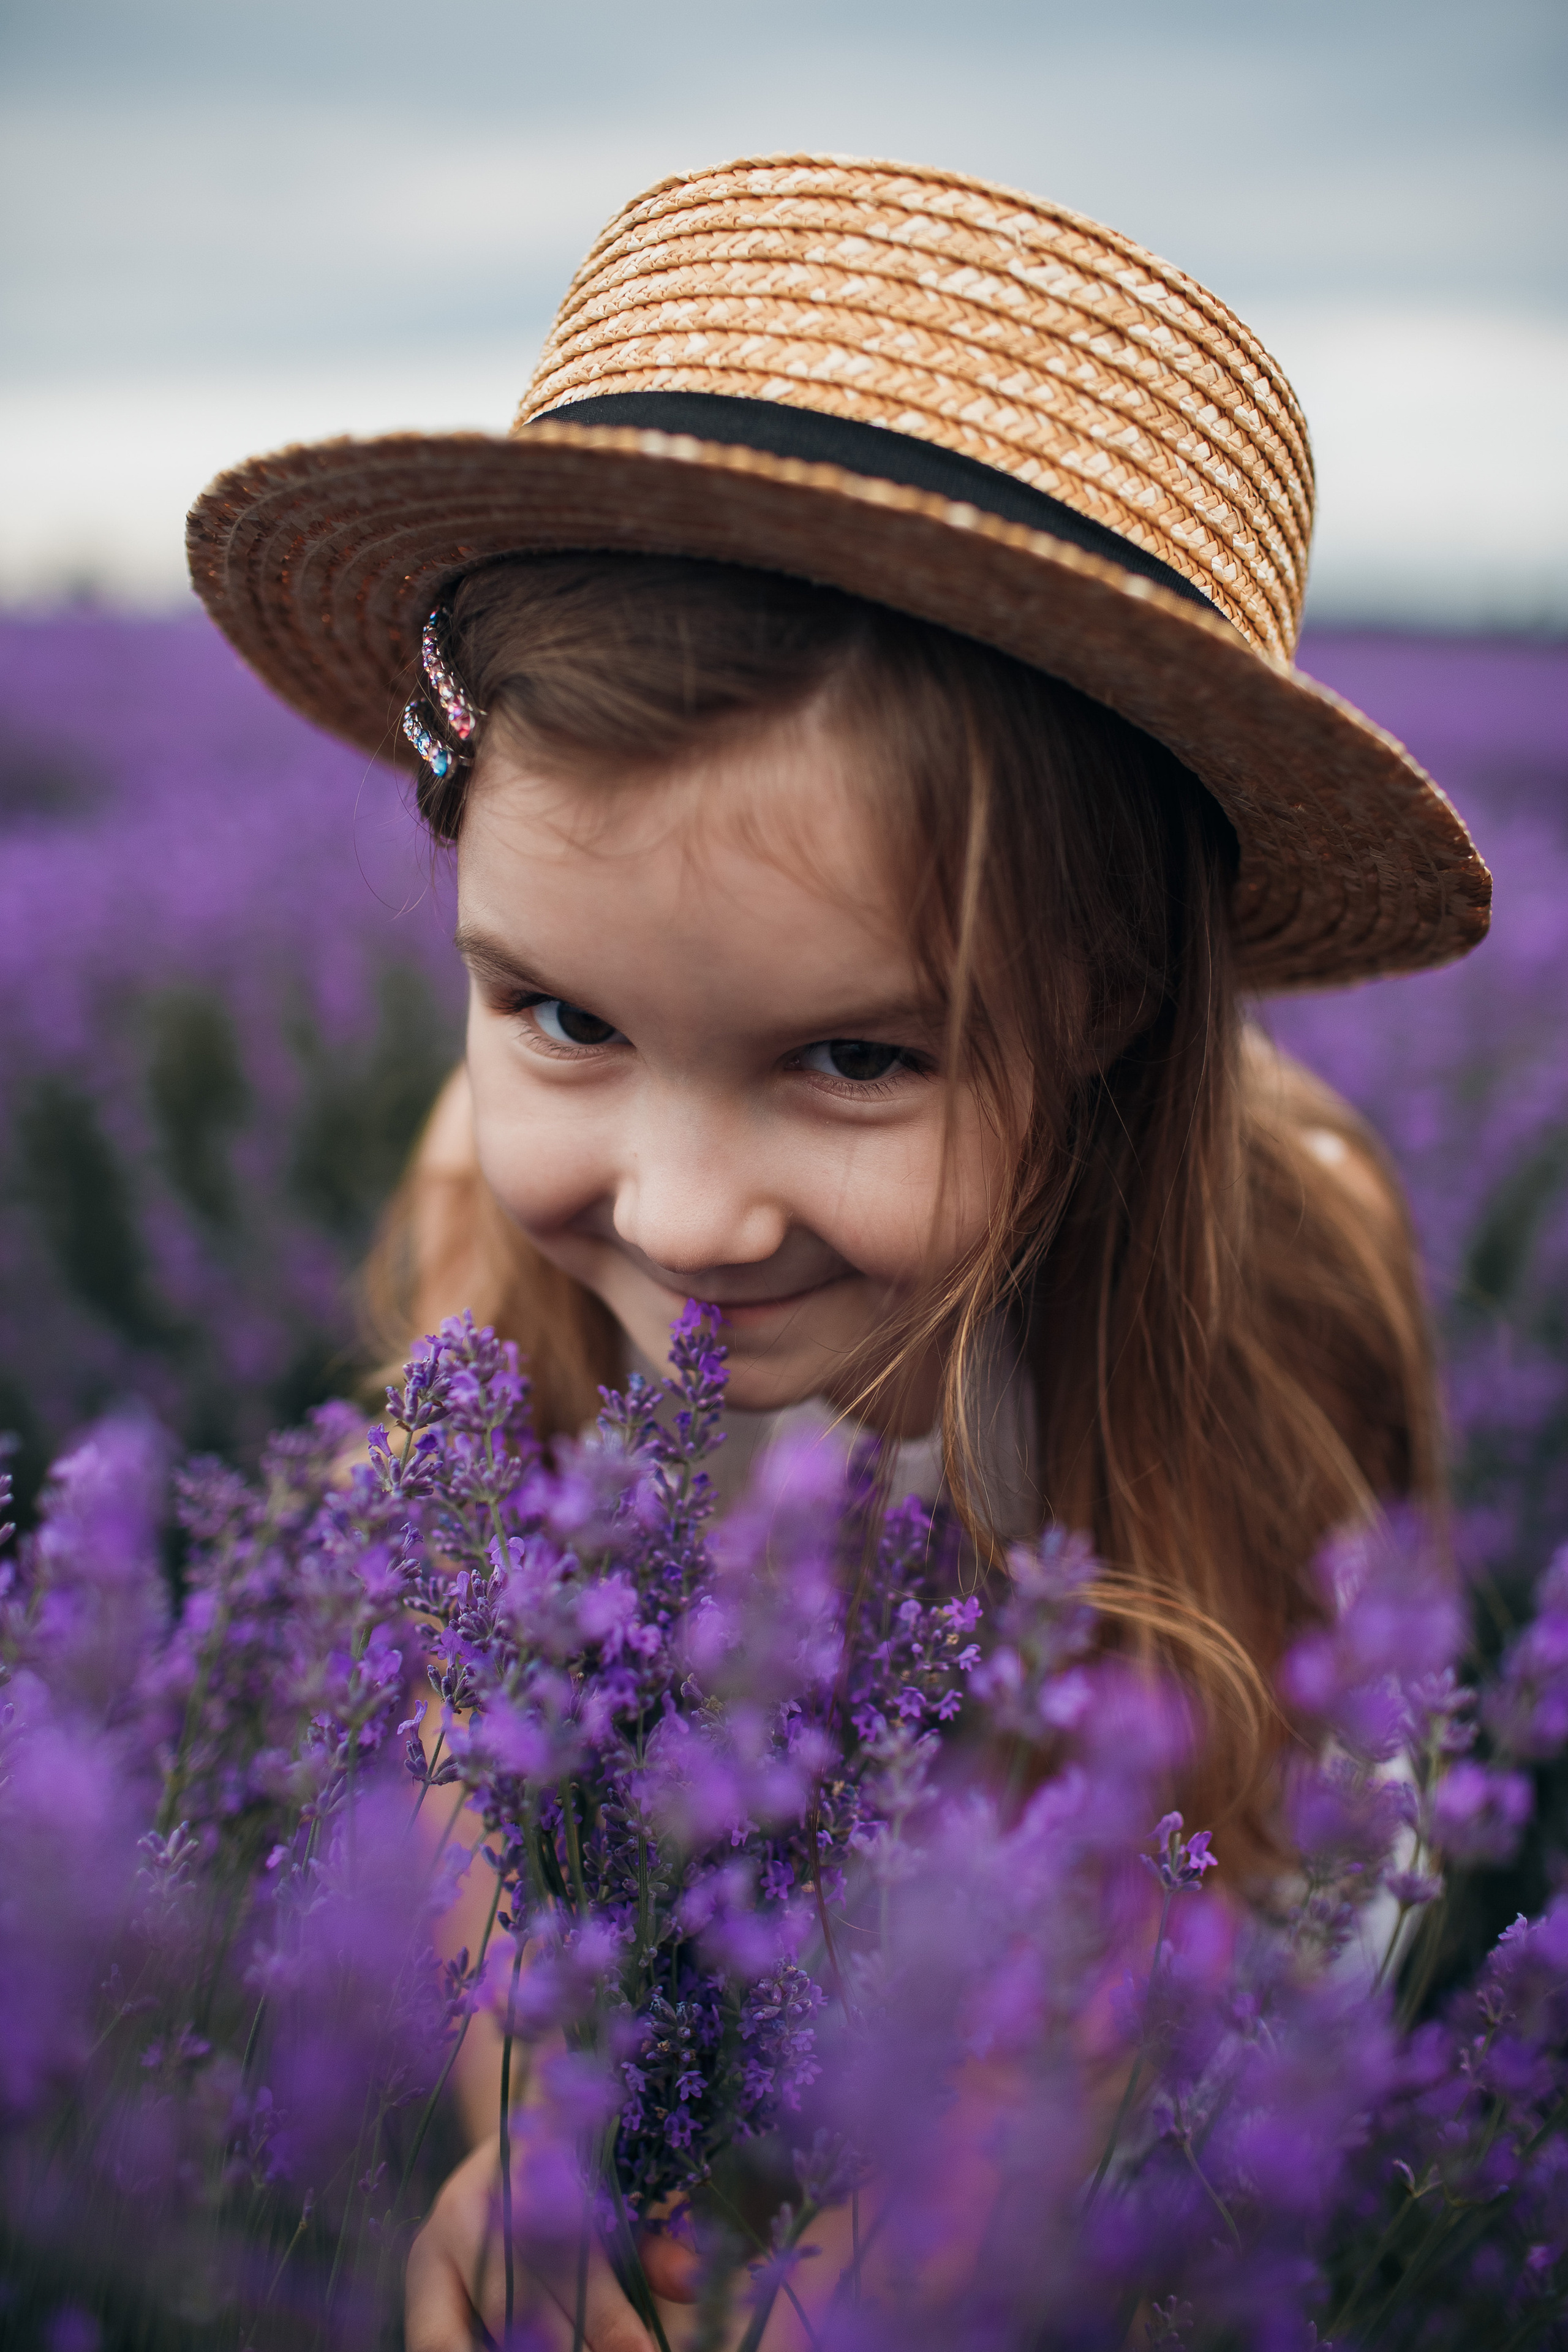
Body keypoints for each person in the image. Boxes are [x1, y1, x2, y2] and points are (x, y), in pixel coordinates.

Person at [189, 154, 1490, 2351]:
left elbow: (1223, 1825)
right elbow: (471, 1722)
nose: (681, 1216)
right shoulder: (486, 1227)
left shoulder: (1267, 1291)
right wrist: (541, 2140)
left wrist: (939, 2228)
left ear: (1107, 1011)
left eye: (858, 1057)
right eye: (562, 1014)